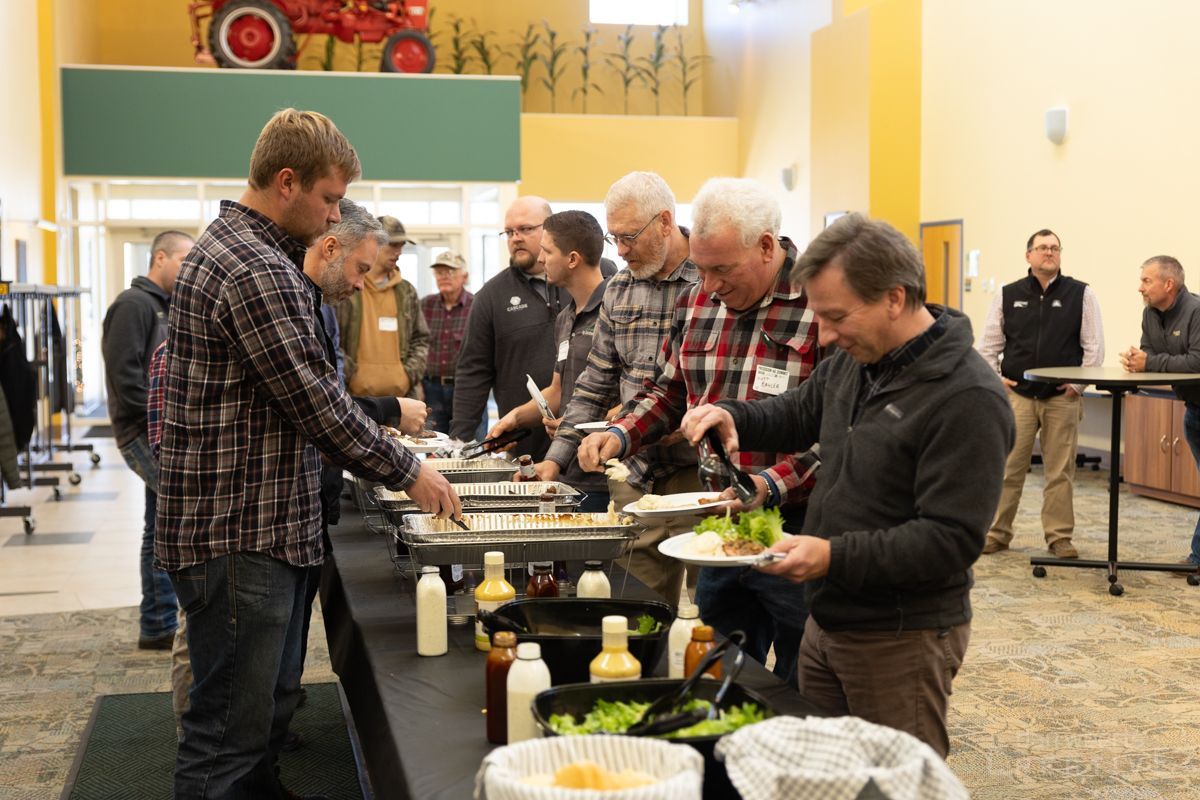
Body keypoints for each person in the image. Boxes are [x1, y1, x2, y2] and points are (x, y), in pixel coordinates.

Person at [156, 108, 459, 799]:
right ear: (286, 182)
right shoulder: (252, 266)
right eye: (327, 200)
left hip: (252, 524)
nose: (332, 218)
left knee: (250, 723)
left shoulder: (254, 256)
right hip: (237, 531)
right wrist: (411, 470)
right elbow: (318, 404)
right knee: (224, 735)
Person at [681, 213, 1014, 758]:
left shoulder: (967, 396)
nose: (827, 335)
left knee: (892, 785)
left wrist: (831, 556)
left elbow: (950, 540)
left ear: (894, 298)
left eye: (837, 317)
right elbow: (800, 410)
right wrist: (732, 415)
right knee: (824, 776)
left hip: (901, 636)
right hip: (828, 621)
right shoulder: (861, 362)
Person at [576, 178, 819, 681]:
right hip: (721, 528)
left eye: (722, 269)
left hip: (801, 529)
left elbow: (836, 432)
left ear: (767, 246)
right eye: (701, 268)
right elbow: (669, 392)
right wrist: (621, 433)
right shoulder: (697, 302)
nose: (707, 285)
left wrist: (769, 485)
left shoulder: (820, 304)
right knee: (719, 672)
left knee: (804, 680)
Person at [536, 171, 698, 603]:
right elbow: (594, 380)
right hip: (635, 473)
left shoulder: (711, 281)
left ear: (665, 222)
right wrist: (556, 460)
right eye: (615, 239)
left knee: (708, 613)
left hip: (696, 475)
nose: (621, 251)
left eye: (629, 237)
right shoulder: (620, 289)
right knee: (633, 603)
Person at [978, 229, 1104, 558]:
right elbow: (987, 346)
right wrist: (996, 380)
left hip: (1062, 399)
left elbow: (1094, 347)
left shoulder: (1081, 294)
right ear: (1028, 255)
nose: (1049, 253)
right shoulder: (1008, 294)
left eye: (1054, 248)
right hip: (1017, 396)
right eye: (1042, 248)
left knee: (1059, 472)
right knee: (1007, 468)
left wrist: (1077, 387)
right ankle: (996, 532)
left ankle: (1059, 537)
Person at [100, 229, 193, 650]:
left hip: (165, 429)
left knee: (159, 524)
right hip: (142, 430)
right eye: (182, 261)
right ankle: (157, 621)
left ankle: (156, 623)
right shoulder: (132, 306)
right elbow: (127, 383)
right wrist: (168, 421)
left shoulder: (167, 306)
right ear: (160, 258)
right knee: (169, 521)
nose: (188, 270)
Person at [487, 210, 611, 511]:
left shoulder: (615, 309)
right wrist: (512, 420)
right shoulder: (566, 318)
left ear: (572, 259)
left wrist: (585, 426)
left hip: (606, 475)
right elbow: (556, 390)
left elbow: (637, 396)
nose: (541, 259)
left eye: (547, 251)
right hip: (568, 470)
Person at [450, 196, 568, 459]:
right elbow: (473, 371)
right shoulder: (491, 296)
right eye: (509, 232)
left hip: (589, 438)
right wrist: (459, 441)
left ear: (550, 231)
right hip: (525, 445)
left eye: (525, 229)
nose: (515, 238)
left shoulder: (585, 279)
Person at [1120, 255, 1200, 575]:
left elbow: (1197, 362)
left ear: (1169, 284)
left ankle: (1197, 559)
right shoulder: (1150, 314)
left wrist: (1149, 363)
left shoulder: (1196, 311)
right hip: (1193, 410)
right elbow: (1148, 353)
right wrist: (1136, 360)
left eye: (1146, 281)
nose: (1140, 287)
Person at [334, 215, 430, 400]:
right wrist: (350, 374)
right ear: (373, 244)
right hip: (354, 400)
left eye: (401, 246)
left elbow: (421, 339)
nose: (399, 252)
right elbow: (332, 339)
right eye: (393, 245)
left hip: (401, 402)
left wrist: (408, 375)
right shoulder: (348, 287)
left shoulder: (406, 291)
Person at [420, 250, 482, 437]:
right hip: (431, 390)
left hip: (467, 390)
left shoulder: (477, 305)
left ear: (464, 276)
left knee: (470, 448)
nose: (444, 277)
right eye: (439, 272)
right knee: (434, 446)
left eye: (451, 272)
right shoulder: (424, 305)